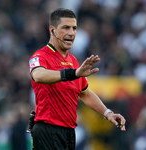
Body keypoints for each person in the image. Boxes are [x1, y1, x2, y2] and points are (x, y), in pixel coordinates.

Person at [28, 8, 126, 150]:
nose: (71, 33)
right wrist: (73, 73)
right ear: (52, 30)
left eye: (74, 28)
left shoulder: (73, 61)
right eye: (66, 28)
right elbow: (38, 75)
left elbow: (85, 93)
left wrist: (108, 113)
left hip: (69, 132)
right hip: (48, 131)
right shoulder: (41, 56)